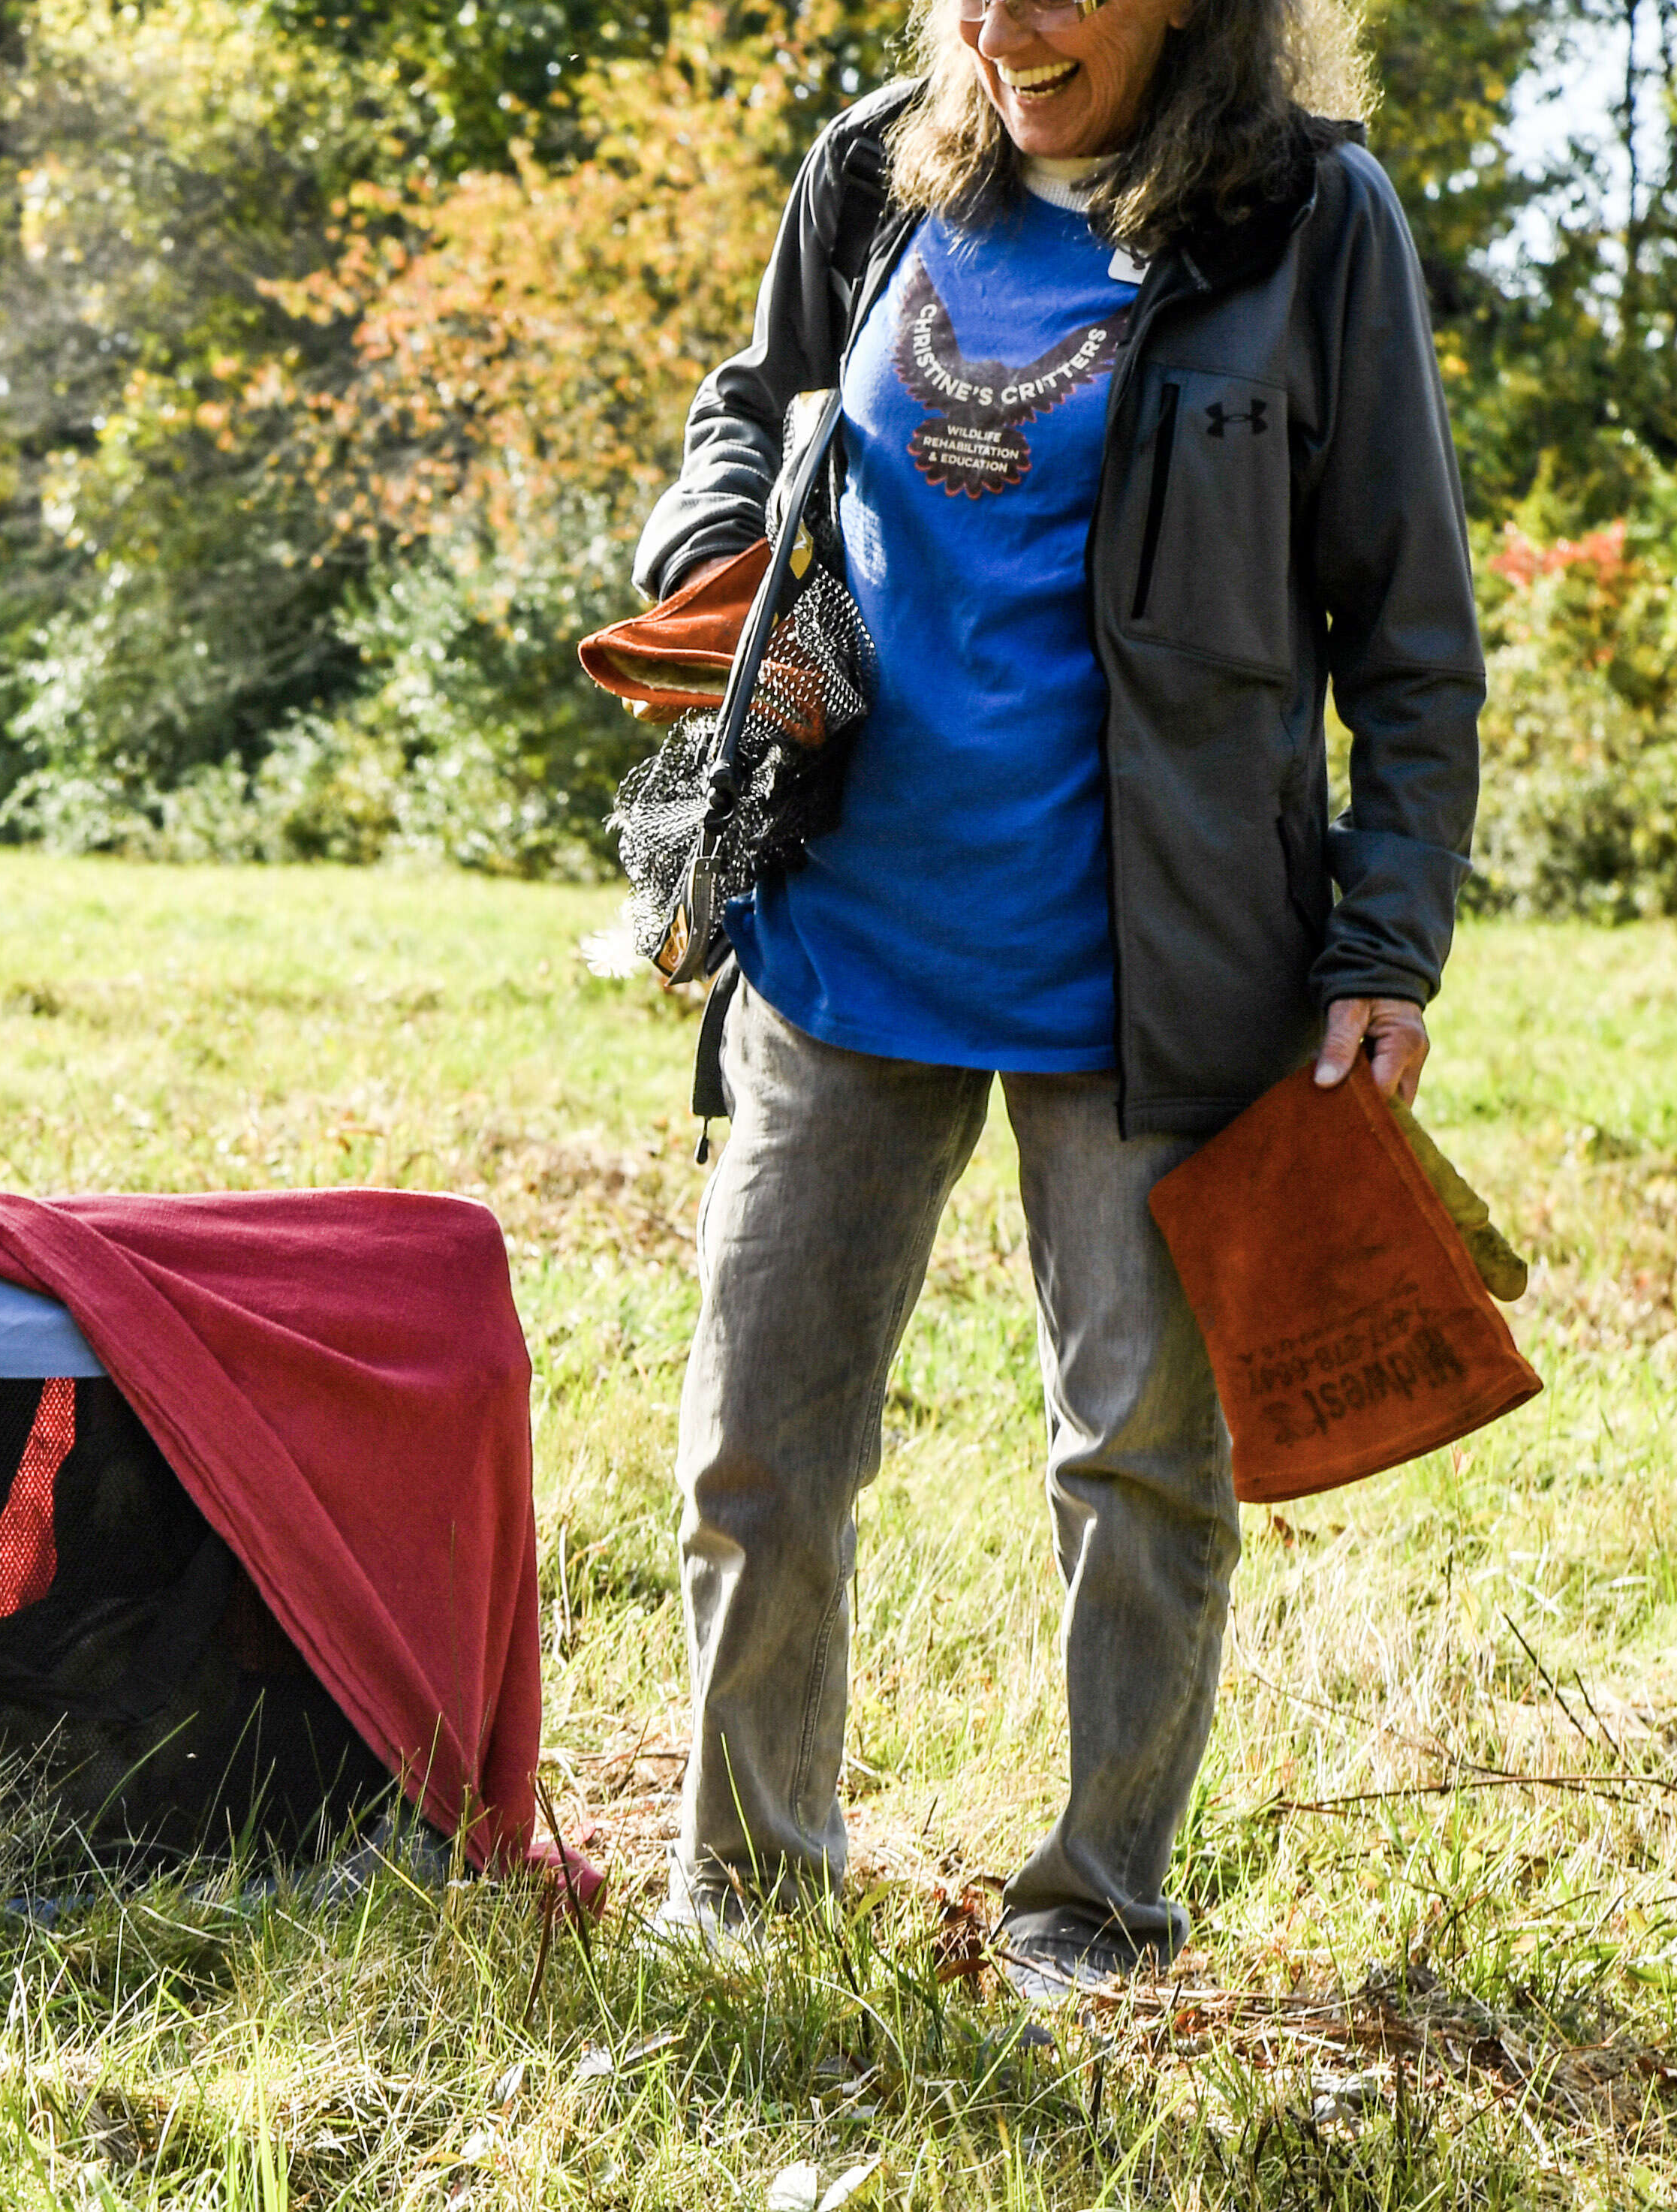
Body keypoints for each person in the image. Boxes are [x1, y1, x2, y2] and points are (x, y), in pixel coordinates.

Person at [631, 0, 1478, 1997]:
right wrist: (713, 552)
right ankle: (743, 1891)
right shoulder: (865, 174)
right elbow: (746, 410)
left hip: (1158, 977)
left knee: (1135, 1465)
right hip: (844, 932)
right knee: (755, 1447)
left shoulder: (1310, 222)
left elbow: (1411, 638)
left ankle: (1093, 1908)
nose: (1009, 28)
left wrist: (1383, 942)